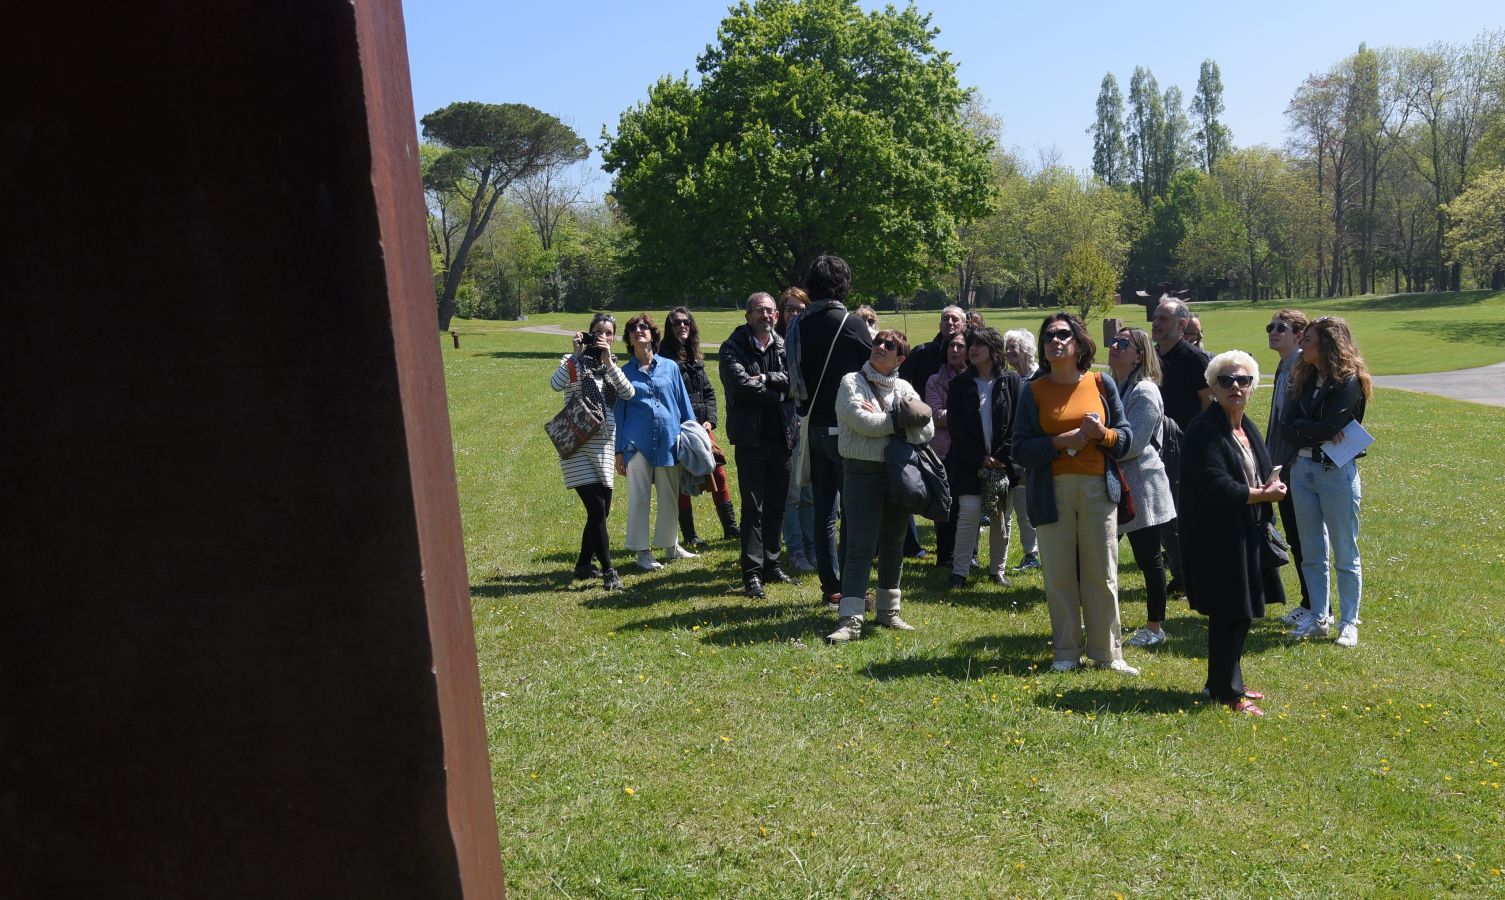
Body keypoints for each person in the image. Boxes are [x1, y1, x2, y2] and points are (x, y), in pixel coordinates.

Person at [1012, 313, 1137, 674]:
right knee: (1059, 575)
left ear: (1079, 342)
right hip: (1051, 492)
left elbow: (1126, 438)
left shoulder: (1101, 383)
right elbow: (1020, 449)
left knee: (1103, 573)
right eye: (1049, 336)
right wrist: (1057, 442)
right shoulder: (1032, 391)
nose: (1056, 340)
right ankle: (1066, 651)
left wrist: (1102, 435)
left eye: (1064, 334)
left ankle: (1108, 653)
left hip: (1099, 487)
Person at [1180, 350, 1287, 716]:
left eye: (1243, 380)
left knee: (1236, 614)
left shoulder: (1245, 426)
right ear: (1212, 387)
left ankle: (1222, 682)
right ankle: (1228, 693)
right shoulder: (1204, 430)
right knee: (1230, 614)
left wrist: (1271, 485)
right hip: (1215, 537)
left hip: (1244, 532)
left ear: (1253, 387)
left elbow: (1255, 471)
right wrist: (1263, 494)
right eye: (1226, 381)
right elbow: (1217, 487)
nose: (1235, 387)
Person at [826, 329, 934, 642]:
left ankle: (889, 613)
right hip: (860, 472)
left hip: (897, 472)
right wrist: (899, 421)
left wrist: (888, 421)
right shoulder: (851, 382)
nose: (881, 347)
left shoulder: (903, 386)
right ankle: (850, 620)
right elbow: (861, 422)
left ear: (900, 358)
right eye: (878, 342)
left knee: (894, 542)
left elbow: (925, 431)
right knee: (860, 544)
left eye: (890, 346)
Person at [1282, 316, 1372, 647]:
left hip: (1335, 472)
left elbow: (1326, 427)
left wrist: (1308, 428)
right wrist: (1313, 428)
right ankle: (1319, 617)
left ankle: (1349, 622)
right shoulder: (1302, 377)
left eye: (1308, 339)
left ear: (1328, 343)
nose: (1302, 344)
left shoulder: (1349, 382)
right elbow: (1285, 425)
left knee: (1344, 551)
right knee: (1311, 550)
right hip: (1301, 469)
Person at [791, 255, 873, 610]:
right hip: (848, 429)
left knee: (824, 511)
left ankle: (831, 587)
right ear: (843, 284)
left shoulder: (796, 325)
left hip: (812, 426)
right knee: (853, 512)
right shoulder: (852, 324)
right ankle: (852, 586)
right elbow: (874, 370)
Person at [720, 292, 797, 598]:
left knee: (777, 505)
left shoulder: (784, 345)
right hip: (751, 440)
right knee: (754, 507)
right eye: (760, 311)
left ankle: (771, 563)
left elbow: (796, 381)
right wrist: (778, 393)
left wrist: (765, 378)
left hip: (783, 436)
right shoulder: (732, 347)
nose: (767, 316)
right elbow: (740, 386)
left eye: (771, 311)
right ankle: (752, 572)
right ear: (748, 316)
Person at [550, 313, 634, 591]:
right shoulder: (573, 362)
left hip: (604, 447)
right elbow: (556, 383)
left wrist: (609, 361)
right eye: (597, 331)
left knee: (602, 511)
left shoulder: (611, 366)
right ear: (587, 334)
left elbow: (628, 393)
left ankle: (584, 564)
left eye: (608, 333)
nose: (603, 336)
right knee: (597, 510)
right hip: (578, 445)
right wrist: (575, 355)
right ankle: (610, 572)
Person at [1107, 327, 1177, 647]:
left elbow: (1131, 445)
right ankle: (1104, 619)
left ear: (1139, 355)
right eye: (1113, 342)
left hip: (1142, 487)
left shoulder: (1145, 391)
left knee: (1149, 559)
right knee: (1100, 555)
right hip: (1117, 485)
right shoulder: (1114, 385)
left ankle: (1155, 628)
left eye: (1124, 344)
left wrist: (1094, 442)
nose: (1115, 347)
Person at [614, 313, 700, 571]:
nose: (639, 331)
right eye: (633, 329)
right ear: (629, 339)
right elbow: (619, 413)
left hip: (669, 440)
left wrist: (693, 437)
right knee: (639, 497)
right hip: (635, 442)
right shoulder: (623, 372)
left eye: (643, 327)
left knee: (669, 495)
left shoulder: (671, 368)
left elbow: (684, 405)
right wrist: (619, 450)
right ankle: (643, 552)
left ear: (653, 334)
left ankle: (671, 546)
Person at [945, 327, 1022, 589]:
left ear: (994, 350)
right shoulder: (958, 385)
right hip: (969, 463)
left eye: (979, 344)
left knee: (1001, 517)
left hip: (1004, 464)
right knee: (968, 512)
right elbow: (956, 428)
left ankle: (997, 571)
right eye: (971, 344)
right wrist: (980, 458)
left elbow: (1018, 425)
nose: (972, 349)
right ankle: (960, 572)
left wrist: (1000, 457)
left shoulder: (1012, 383)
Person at [659, 307, 738, 550]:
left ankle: (730, 527)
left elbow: (709, 393)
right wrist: (684, 425)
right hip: (680, 430)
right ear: (669, 329)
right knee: (683, 480)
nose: (682, 326)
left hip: (703, 428)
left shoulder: (695, 356)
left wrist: (710, 421)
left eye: (686, 322)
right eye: (676, 323)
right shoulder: (664, 359)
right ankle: (690, 534)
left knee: (718, 473)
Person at [1151, 294, 1211, 595]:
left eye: (1163, 318)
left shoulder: (1194, 359)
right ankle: (1181, 571)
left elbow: (1206, 402)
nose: (1156, 323)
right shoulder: (1152, 356)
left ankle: (1187, 574)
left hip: (1183, 445)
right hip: (1153, 445)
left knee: (1175, 514)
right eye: (1156, 317)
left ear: (1181, 323)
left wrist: (1198, 442)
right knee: (1162, 513)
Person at [1264, 309, 1314, 625]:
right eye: (1270, 327)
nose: (1273, 331)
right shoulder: (1284, 366)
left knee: (1304, 538)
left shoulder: (1301, 369)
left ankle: (1315, 606)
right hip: (1283, 465)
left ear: (1298, 335)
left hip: (1298, 467)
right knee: (1297, 537)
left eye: (1281, 327)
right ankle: (1310, 604)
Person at [778, 288, 817, 572]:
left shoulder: (812, 341)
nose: (794, 314)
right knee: (791, 493)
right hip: (785, 425)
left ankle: (813, 546)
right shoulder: (777, 344)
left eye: (799, 309)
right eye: (789, 308)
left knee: (810, 492)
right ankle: (795, 549)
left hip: (810, 421)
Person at [924, 333, 968, 569]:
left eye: (961, 345)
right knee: (946, 504)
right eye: (951, 345)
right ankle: (945, 556)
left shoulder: (974, 378)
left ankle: (967, 555)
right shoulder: (934, 380)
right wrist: (965, 416)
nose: (955, 349)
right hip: (943, 450)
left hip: (968, 450)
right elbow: (935, 415)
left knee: (968, 505)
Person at [1002, 329, 1041, 571]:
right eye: (1006, 349)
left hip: (1033, 453)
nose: (1008, 354)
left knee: (1027, 508)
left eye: (1013, 349)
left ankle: (1033, 554)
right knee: (1012, 505)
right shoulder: (1009, 379)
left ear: (1027, 350)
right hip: (1012, 452)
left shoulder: (1040, 379)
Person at [899, 305, 966, 398]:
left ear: (964, 325)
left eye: (955, 319)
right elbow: (901, 380)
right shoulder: (921, 351)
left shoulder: (972, 352)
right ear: (940, 325)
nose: (950, 322)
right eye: (946, 319)